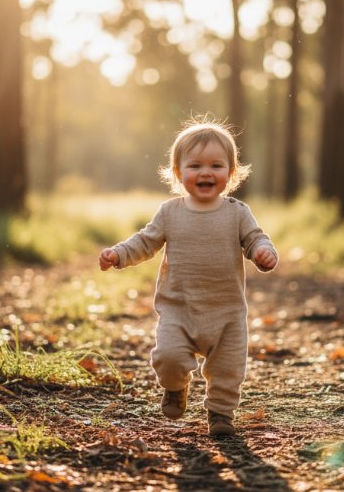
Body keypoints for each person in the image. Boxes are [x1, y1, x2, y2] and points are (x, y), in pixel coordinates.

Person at [99, 118, 278, 436]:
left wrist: (264, 253)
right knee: (168, 358)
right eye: (195, 165)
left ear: (231, 173)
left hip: (227, 314)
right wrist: (119, 255)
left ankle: (221, 414)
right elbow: (145, 242)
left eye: (216, 165)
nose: (206, 172)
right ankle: (175, 386)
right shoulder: (170, 212)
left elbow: (255, 239)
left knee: (228, 370)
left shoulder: (237, 213)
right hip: (178, 310)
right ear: (179, 173)